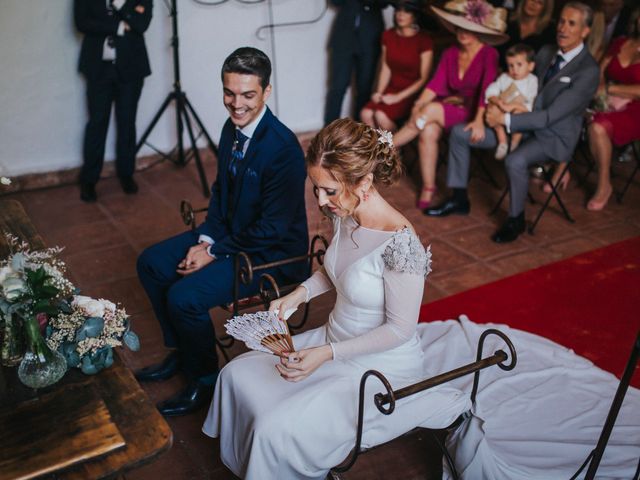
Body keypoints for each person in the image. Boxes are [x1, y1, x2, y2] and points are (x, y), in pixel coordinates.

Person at [203, 118, 449, 479]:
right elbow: (336, 270)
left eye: (329, 190)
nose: (320, 200)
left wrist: (327, 354)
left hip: (378, 366)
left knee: (275, 425)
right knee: (237, 373)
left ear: (364, 183)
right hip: (332, 339)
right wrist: (298, 295)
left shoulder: (400, 243)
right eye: (316, 188)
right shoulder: (346, 211)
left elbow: (399, 329)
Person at [135, 47, 309, 416]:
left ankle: (203, 380)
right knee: (151, 262)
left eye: (248, 94)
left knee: (184, 297)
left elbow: (273, 228)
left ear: (266, 91)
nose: (236, 103)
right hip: (230, 237)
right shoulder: (231, 129)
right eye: (229, 93)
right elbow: (220, 194)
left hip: (271, 256)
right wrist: (206, 240)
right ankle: (183, 353)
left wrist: (213, 253)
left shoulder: (283, 149)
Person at [426, 2, 599, 244]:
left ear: (585, 31)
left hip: (553, 136)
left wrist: (505, 119)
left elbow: (550, 117)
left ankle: (516, 219)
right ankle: (458, 197)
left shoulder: (588, 70)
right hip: (520, 123)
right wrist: (495, 104)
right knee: (459, 133)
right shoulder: (547, 52)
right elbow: (519, 84)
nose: (563, 28)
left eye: (572, 24)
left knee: (515, 160)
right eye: (561, 21)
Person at [392, 0, 506, 209]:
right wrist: (419, 104)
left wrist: (479, 121)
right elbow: (435, 84)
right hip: (449, 107)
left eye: (469, 28)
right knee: (427, 129)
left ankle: (380, 149)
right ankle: (428, 186)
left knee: (431, 110)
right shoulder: (450, 53)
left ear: (479, 30)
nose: (463, 32)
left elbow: (486, 92)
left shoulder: (489, 54)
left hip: (473, 113)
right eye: (460, 27)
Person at [74, 0, 153, 202]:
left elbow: (141, 25)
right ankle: (89, 179)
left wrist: (120, 4)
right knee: (97, 121)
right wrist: (118, 26)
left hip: (131, 67)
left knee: (127, 122)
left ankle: (126, 174)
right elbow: (82, 22)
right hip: (98, 68)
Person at [586, 6, 640, 211]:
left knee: (598, 127)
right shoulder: (620, 43)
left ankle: (603, 184)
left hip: (636, 110)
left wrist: (612, 88)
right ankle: (556, 171)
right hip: (606, 100)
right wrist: (601, 88)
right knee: (578, 114)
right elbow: (600, 70)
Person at [360, 0, 433, 132]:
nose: (400, 15)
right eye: (398, 10)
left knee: (380, 116)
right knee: (365, 114)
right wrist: (379, 92)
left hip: (411, 93)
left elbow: (423, 79)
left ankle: (395, 148)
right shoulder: (388, 35)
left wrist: (397, 97)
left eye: (406, 11)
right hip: (390, 89)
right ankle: (379, 150)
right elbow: (386, 68)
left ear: (415, 16)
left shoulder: (424, 40)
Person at [324, 0, 388, 126]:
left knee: (365, 87)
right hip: (343, 36)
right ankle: (329, 130)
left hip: (370, 37)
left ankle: (359, 132)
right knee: (337, 86)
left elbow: (385, 3)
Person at [485, 43, 538, 160]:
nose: (514, 69)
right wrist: (497, 101)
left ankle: (514, 144)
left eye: (519, 65)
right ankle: (502, 141)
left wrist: (513, 106)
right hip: (502, 110)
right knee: (491, 108)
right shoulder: (505, 77)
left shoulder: (532, 81)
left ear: (530, 66)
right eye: (511, 65)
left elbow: (531, 105)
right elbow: (491, 90)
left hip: (520, 111)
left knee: (519, 116)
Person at [497, 0, 556, 69]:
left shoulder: (549, 32)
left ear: (545, 8)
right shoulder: (506, 20)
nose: (533, 4)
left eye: (539, 2)